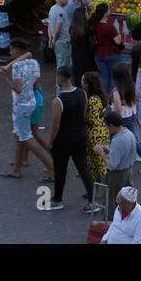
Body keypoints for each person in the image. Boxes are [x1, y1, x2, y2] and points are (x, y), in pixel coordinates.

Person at [45, 67, 98, 213]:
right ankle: (92, 201)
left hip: (63, 139)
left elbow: (56, 125)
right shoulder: (83, 94)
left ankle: (58, 199)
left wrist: (50, 142)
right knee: (83, 168)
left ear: (60, 79)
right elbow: (83, 114)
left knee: (60, 169)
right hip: (80, 136)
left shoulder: (58, 101)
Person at [0, 39, 54, 181]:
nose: (10, 52)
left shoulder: (17, 66)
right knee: (19, 136)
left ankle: (50, 165)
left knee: (26, 138)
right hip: (32, 101)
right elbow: (36, 84)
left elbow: (17, 89)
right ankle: (17, 168)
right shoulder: (35, 63)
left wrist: (6, 78)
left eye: (11, 50)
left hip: (21, 105)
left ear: (17, 51)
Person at [98, 110, 136, 221]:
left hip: (117, 176)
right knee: (128, 201)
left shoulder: (117, 140)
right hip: (128, 172)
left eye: (107, 126)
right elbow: (126, 153)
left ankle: (110, 224)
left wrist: (101, 153)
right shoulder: (129, 133)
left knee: (111, 202)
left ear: (112, 125)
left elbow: (112, 165)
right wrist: (110, 151)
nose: (106, 129)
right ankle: (133, 221)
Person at [80, 71, 109, 188]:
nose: (81, 83)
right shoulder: (101, 96)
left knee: (94, 163)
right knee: (99, 163)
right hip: (102, 130)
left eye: (83, 81)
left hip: (93, 133)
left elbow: (90, 119)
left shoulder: (91, 100)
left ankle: (97, 191)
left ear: (88, 84)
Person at [47, 0, 72, 72]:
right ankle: (60, 85)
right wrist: (54, 40)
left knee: (60, 64)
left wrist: (51, 38)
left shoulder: (52, 8)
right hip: (63, 42)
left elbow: (50, 25)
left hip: (57, 42)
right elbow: (58, 28)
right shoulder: (61, 11)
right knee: (63, 67)